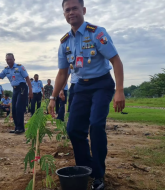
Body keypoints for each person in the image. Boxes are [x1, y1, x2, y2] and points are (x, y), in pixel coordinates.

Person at [48, 0, 125, 189]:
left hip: (101, 84)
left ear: (83, 10)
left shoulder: (96, 32)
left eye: (75, 8)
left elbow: (116, 61)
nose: (71, 12)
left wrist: (120, 90)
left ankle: (98, 175)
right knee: (74, 129)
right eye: (67, 10)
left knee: (96, 125)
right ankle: (85, 168)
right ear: (64, 14)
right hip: (80, 87)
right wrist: (53, 97)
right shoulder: (65, 42)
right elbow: (62, 73)